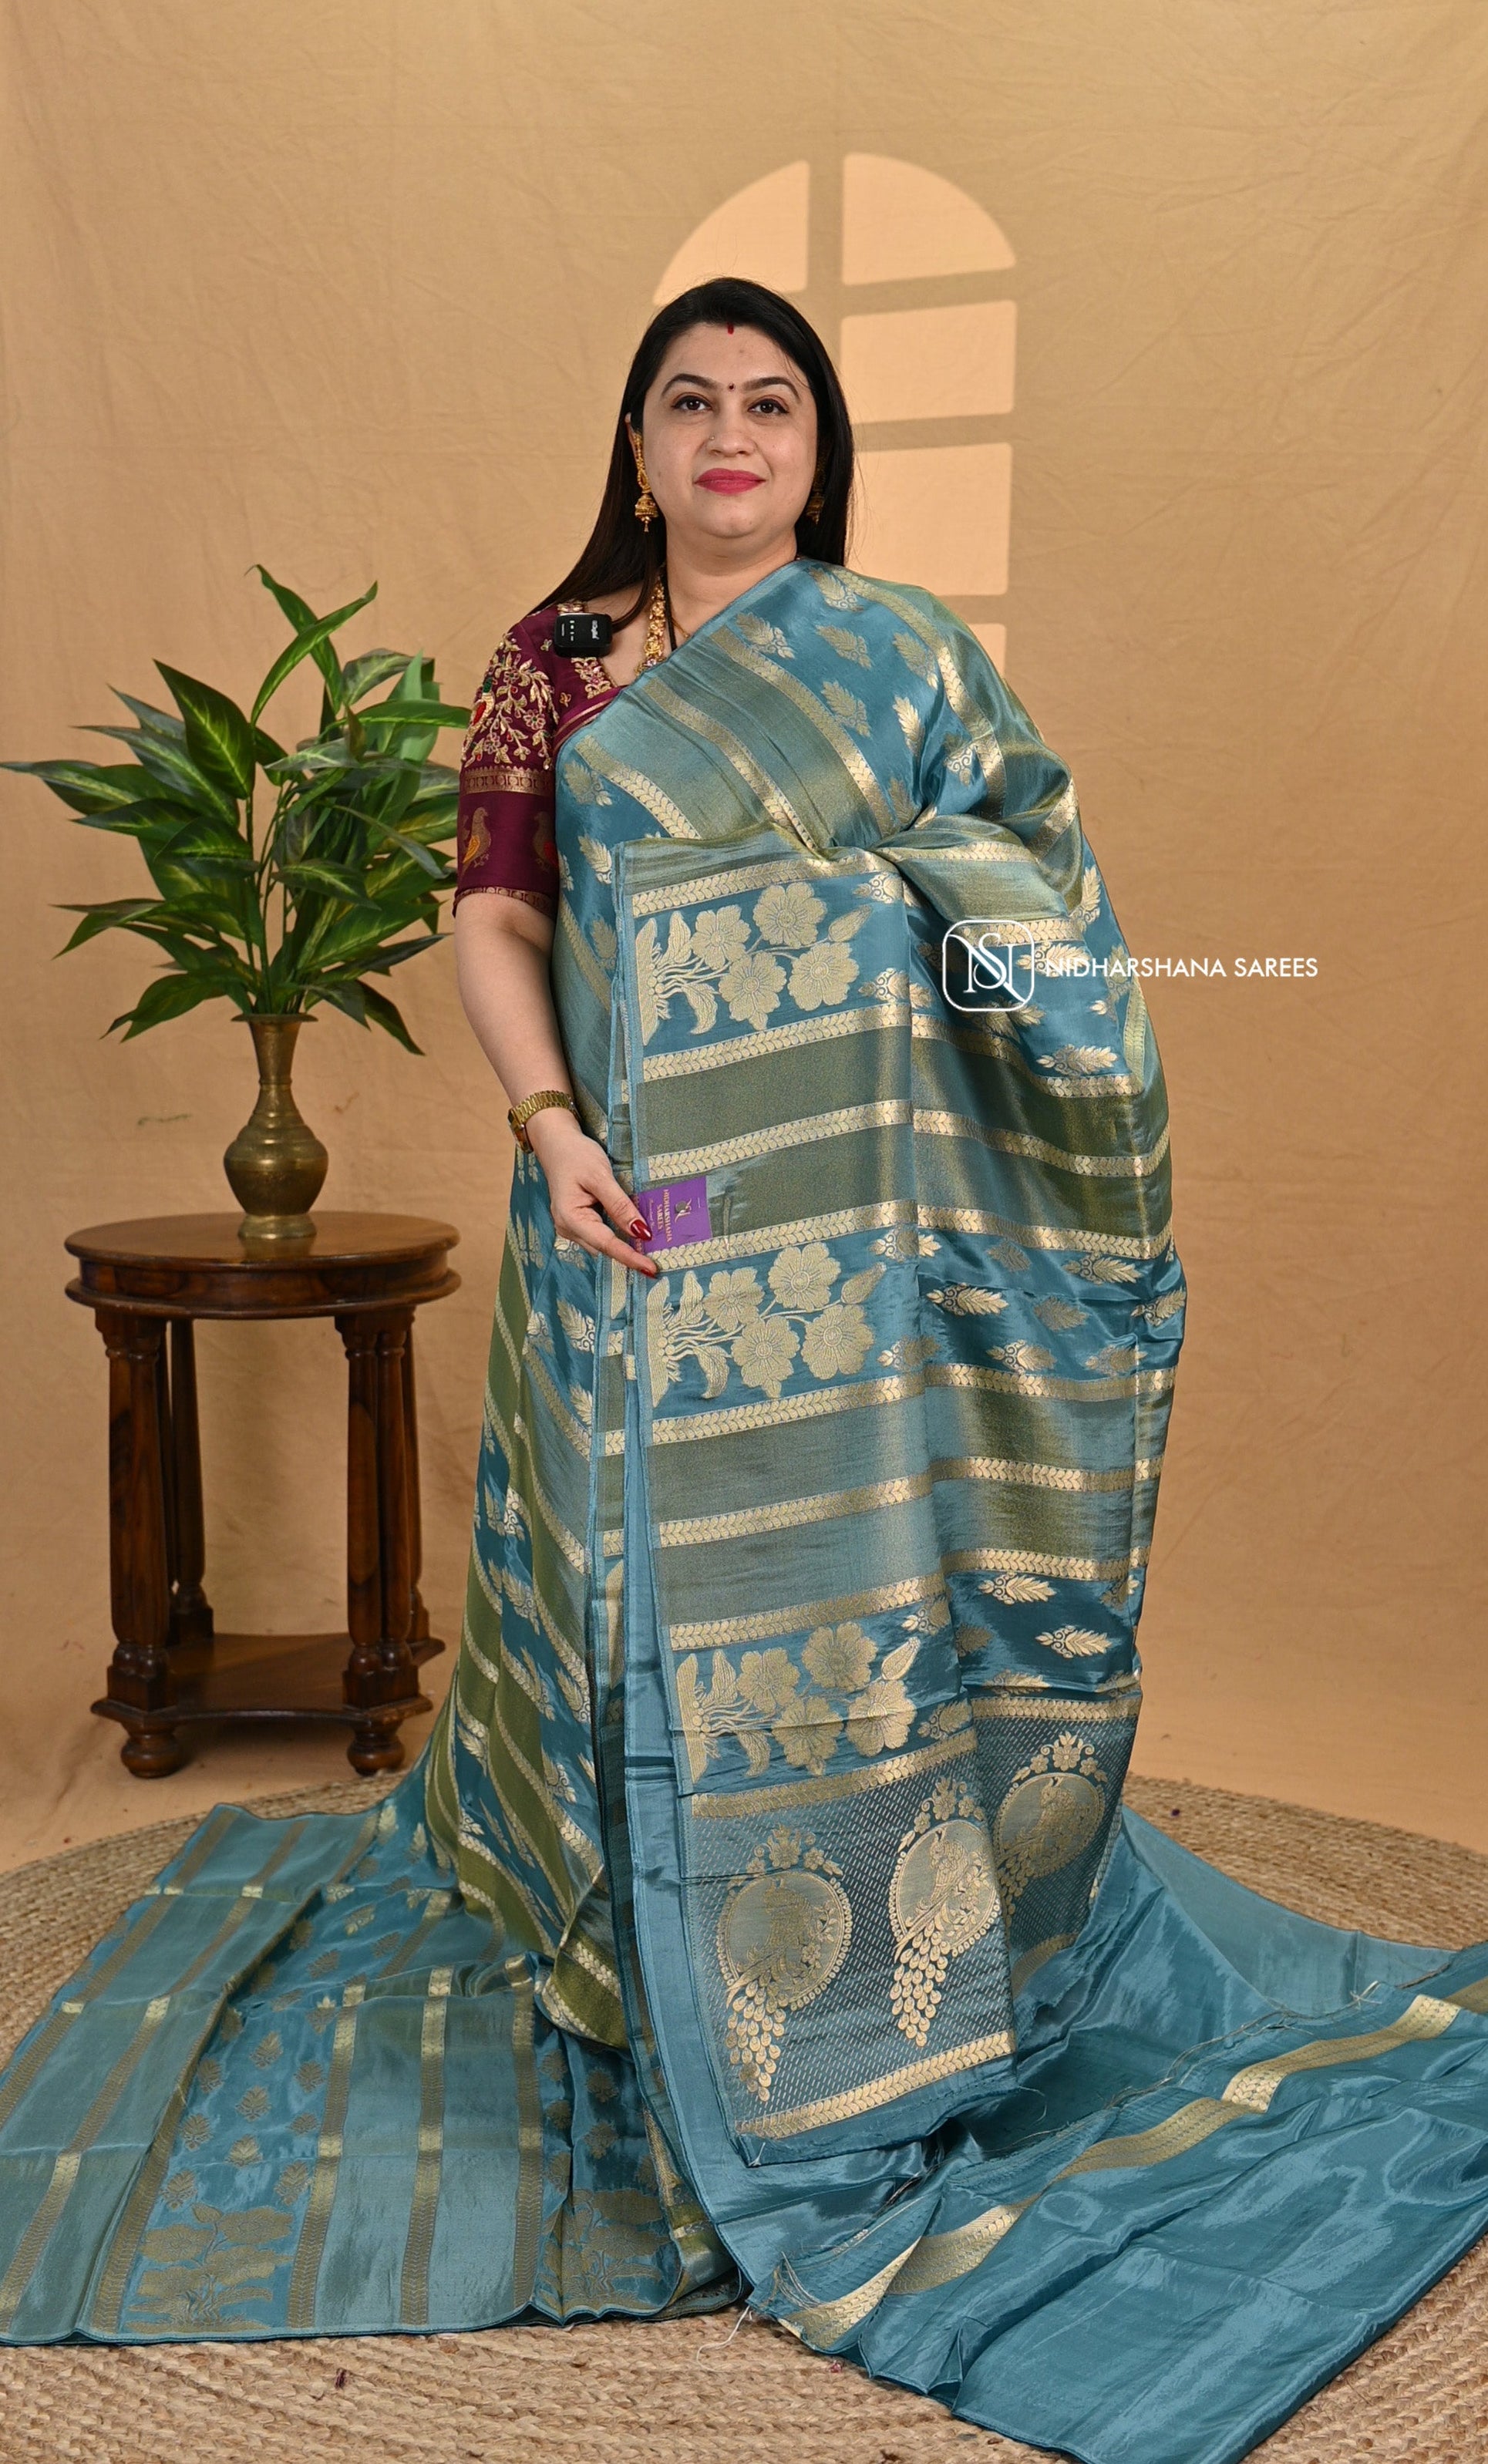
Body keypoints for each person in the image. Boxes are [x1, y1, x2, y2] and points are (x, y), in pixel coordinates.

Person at [2, 279, 1485, 2464]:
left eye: (769, 403)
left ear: (815, 446)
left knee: (827, 1606)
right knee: (630, 1580)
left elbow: (1043, 897)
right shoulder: (561, 663)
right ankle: (632, 1949)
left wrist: (879, 914)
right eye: (687, 400)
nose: (727, 432)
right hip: (637, 1205)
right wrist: (550, 1127)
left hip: (855, 1244)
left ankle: (852, 1990)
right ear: (635, 443)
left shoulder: (901, 655)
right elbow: (495, 913)